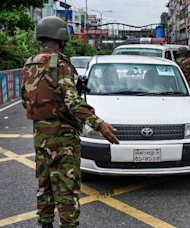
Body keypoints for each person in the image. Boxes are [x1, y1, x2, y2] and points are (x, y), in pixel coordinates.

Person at [21, 16, 119, 228]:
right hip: (63, 138)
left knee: (44, 186)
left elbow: (25, 100)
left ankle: (45, 224)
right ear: (61, 36)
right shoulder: (60, 64)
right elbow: (72, 101)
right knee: (66, 189)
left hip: (40, 136)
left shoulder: (30, 63)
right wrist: (99, 124)